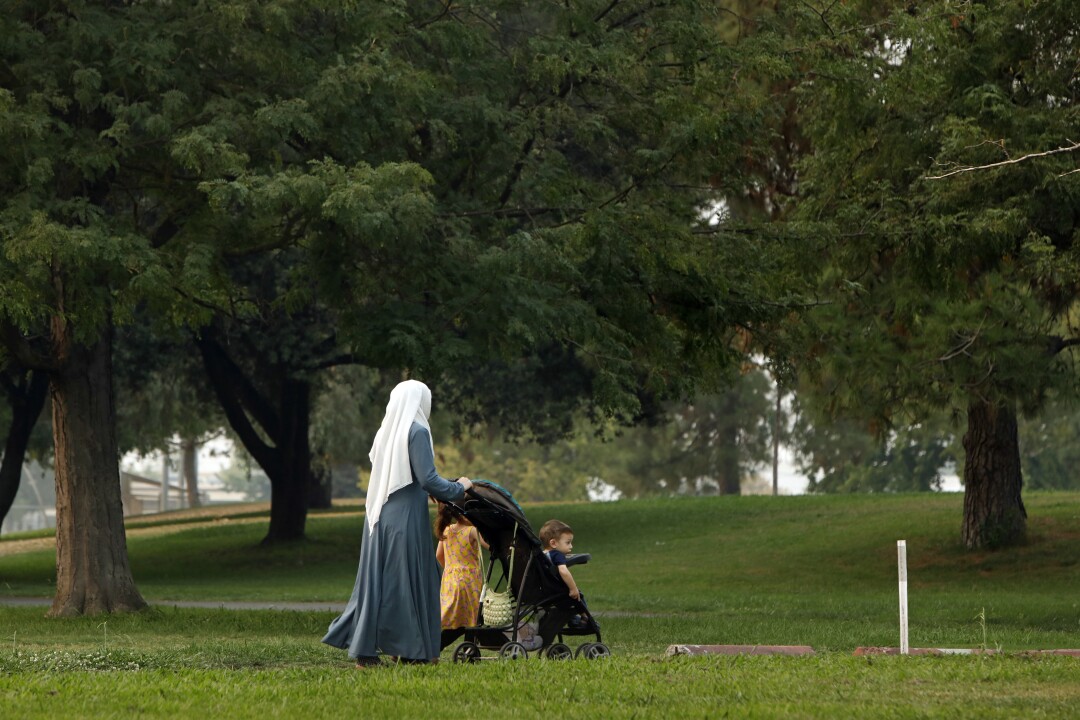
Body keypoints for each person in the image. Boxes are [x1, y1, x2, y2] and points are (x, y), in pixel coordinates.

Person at [322, 380, 473, 666]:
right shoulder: (416, 431)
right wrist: (460, 487)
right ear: (420, 401)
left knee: (380, 582)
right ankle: (414, 652)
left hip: (379, 518)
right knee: (407, 580)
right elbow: (428, 478)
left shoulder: (386, 433)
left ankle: (367, 653)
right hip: (405, 520)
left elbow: (402, 478)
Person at [434, 502, 487, 649]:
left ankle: (468, 650)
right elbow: (488, 545)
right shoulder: (471, 530)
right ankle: (442, 646)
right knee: (471, 618)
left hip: (450, 579)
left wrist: (451, 568)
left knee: (460, 618)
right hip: (469, 580)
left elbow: (438, 555)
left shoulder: (446, 530)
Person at [539, 518, 593, 629]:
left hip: (548, 592)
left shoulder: (541, 555)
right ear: (553, 543)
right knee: (578, 596)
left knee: (565, 605)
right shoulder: (557, 554)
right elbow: (563, 571)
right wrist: (573, 588)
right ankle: (585, 618)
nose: (571, 546)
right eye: (568, 543)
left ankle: (572, 620)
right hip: (560, 591)